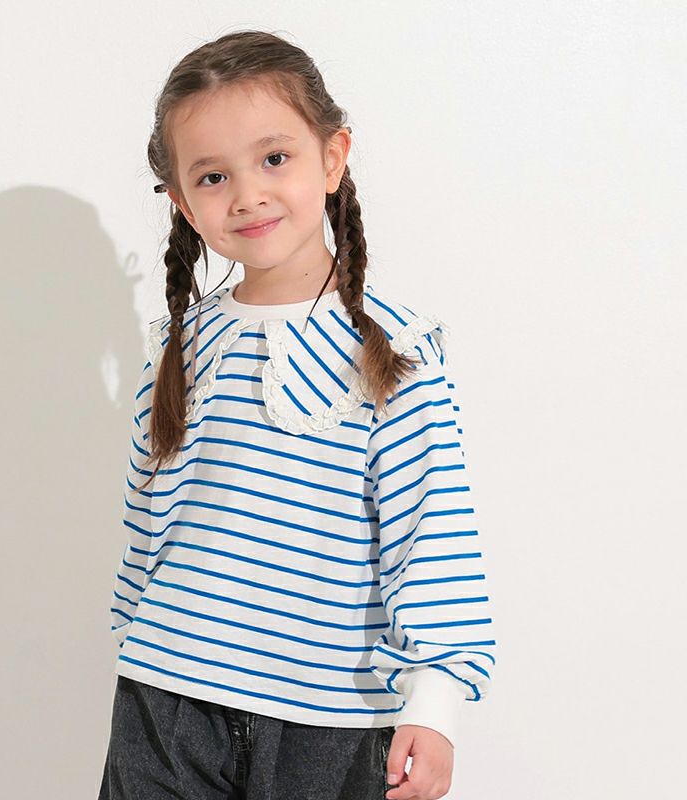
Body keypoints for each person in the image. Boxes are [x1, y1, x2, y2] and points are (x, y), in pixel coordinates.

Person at [98, 29, 497, 800]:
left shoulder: (394, 350)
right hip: (167, 697)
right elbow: (148, 520)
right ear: (182, 201)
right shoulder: (178, 344)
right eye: (213, 176)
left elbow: (432, 529)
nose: (247, 194)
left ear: (333, 157)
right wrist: (133, 639)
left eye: (274, 158)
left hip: (331, 717)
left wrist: (436, 701)